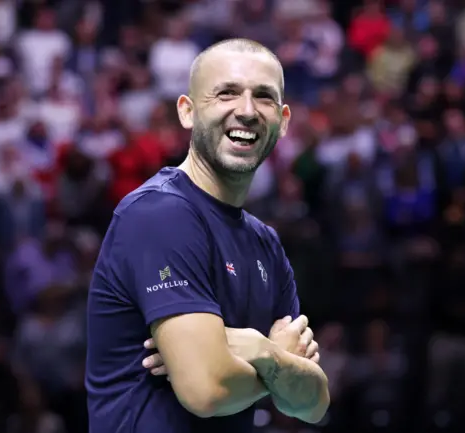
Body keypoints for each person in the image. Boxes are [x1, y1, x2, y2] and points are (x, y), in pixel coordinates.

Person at [86, 38, 330, 433]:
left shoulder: (265, 243)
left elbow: (312, 404)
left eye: (263, 98)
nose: (247, 111)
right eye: (226, 93)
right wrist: (277, 362)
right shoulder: (159, 214)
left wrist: (259, 352)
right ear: (187, 111)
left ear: (283, 121)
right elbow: (206, 390)